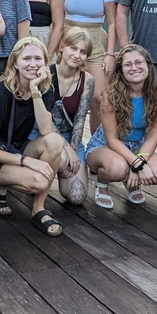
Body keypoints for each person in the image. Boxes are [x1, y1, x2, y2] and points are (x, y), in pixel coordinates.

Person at [0, 37, 66, 236]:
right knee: (39, 181)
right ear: (15, 63)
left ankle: (39, 208)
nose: (33, 64)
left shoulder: (43, 88)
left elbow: (46, 131)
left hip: (16, 148)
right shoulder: (1, 94)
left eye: (38, 59)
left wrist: (35, 89)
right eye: (27, 59)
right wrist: (27, 161)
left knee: (54, 142)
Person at [79, 45, 157, 208]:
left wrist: (138, 161)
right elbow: (112, 139)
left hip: (137, 145)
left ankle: (130, 181)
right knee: (118, 168)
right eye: (128, 64)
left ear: (148, 65)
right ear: (121, 70)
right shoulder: (110, 95)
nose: (134, 68)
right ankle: (102, 183)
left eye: (139, 62)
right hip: (105, 146)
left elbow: (153, 135)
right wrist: (137, 165)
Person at [29, 27, 97, 206]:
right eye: (73, 48)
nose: (77, 55)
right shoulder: (45, 74)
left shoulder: (87, 80)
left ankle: (59, 171)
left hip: (69, 137)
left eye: (83, 52)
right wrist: (66, 151)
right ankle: (39, 180)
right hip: (43, 135)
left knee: (76, 196)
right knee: (62, 159)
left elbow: (80, 120)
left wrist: (74, 151)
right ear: (62, 47)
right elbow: (46, 121)